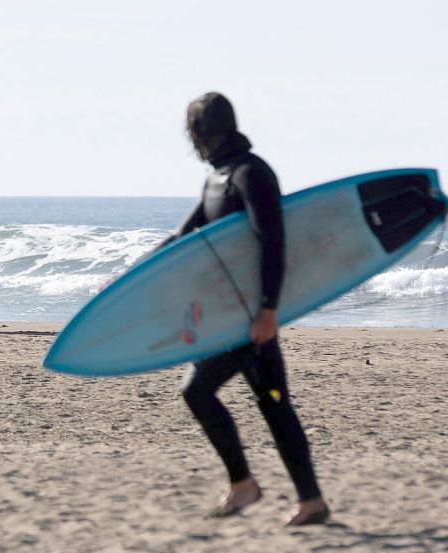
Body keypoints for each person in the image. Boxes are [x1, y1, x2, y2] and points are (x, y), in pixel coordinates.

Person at [164, 92, 329, 526]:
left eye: (193, 132)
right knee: (274, 404)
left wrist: (269, 311)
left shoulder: (251, 174)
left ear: (202, 132)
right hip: (233, 317)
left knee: (197, 391)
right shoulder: (219, 178)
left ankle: (244, 485)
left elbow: (274, 242)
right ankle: (309, 501)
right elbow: (182, 239)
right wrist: (125, 281)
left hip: (250, 320)